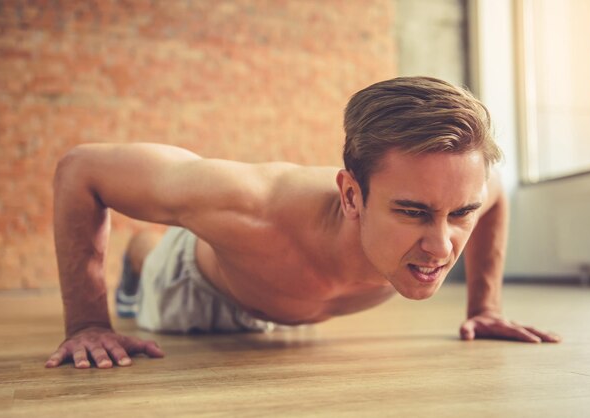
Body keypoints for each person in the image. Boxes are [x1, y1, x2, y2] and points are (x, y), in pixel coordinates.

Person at [45, 76, 561, 370]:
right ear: (351, 194)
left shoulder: (469, 185)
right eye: (413, 212)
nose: (442, 247)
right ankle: (141, 255)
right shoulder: (248, 206)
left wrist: (485, 306)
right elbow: (80, 169)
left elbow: (492, 198)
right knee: (155, 253)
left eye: (459, 214)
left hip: (283, 295)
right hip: (199, 291)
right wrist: (88, 322)